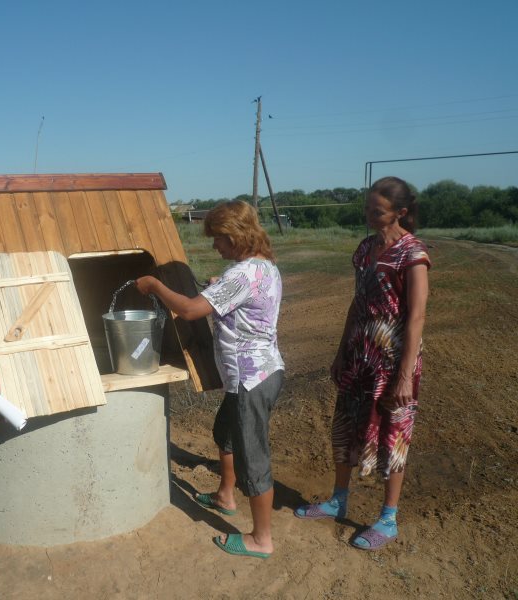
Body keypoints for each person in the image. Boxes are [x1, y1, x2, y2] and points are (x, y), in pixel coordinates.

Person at [136, 199, 284, 559]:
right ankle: (225, 496)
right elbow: (243, 295)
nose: (214, 245)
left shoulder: (241, 274)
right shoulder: (262, 267)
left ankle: (261, 539)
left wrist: (155, 285)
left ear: (234, 235)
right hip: (254, 375)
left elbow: (187, 310)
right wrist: (220, 286)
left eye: (218, 238)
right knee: (225, 434)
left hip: (253, 377)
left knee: (254, 459)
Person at [294, 176, 431, 551]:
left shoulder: (412, 253)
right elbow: (357, 304)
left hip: (393, 361)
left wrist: (404, 376)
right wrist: (341, 352)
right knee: (346, 425)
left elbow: (416, 317)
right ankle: (338, 500)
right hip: (360, 356)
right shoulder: (365, 248)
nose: (370, 215)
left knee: (393, 434)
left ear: (400, 212)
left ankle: (388, 518)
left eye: (378, 211)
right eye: (368, 209)